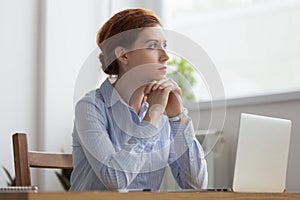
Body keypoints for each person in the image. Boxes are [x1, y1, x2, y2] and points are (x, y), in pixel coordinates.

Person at [70, 8, 207, 191]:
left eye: (164, 46)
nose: (165, 56)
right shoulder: (90, 107)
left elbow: (196, 185)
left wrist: (177, 116)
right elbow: (115, 180)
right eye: (152, 45)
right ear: (123, 55)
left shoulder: (163, 110)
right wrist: (153, 115)